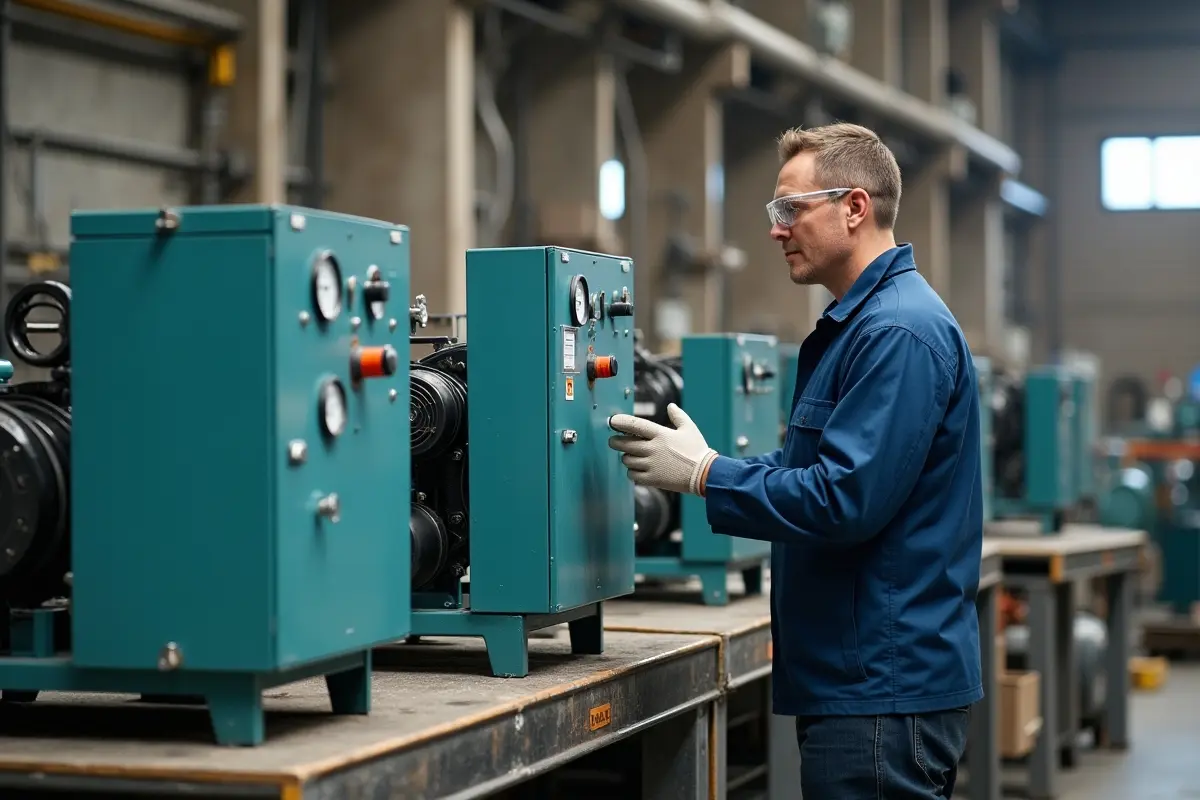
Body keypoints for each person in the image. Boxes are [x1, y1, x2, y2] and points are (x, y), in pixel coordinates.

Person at [607, 122, 983, 799]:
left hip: (881, 690)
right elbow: (813, 465)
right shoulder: (861, 325)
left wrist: (706, 474)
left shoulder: (897, 331)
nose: (776, 229)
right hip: (861, 679)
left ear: (855, 207)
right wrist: (708, 466)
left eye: (790, 209)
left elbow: (843, 499)